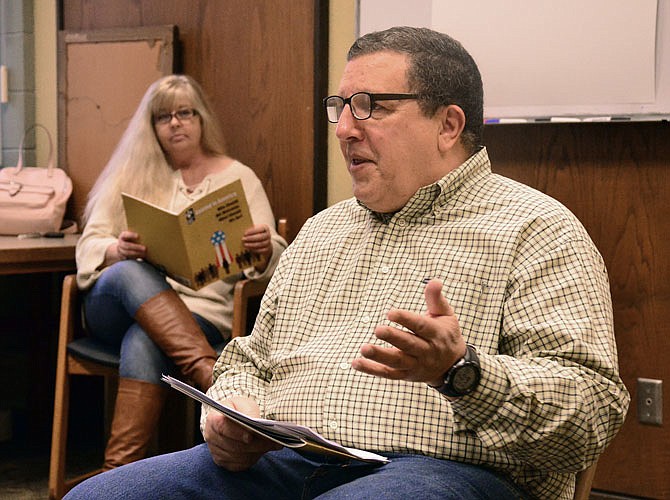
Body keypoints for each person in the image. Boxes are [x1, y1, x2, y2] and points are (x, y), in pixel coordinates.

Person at [65, 27, 629, 499]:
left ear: (448, 125)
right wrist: (232, 411)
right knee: (97, 495)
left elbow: (593, 414)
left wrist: (462, 374)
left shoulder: (536, 228)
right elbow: (246, 361)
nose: (343, 129)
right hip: (284, 460)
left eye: (372, 107)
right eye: (340, 107)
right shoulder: (322, 231)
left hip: (443, 470)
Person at [74, 74, 286, 470]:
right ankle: (213, 378)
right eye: (163, 116)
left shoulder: (238, 176)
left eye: (185, 113)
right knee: (128, 272)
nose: (175, 123)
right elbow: (86, 247)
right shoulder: (132, 173)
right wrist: (115, 249)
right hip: (115, 308)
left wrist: (262, 248)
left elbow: (275, 257)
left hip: (201, 314)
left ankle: (115, 474)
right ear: (151, 127)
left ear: (201, 118)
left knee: (145, 340)